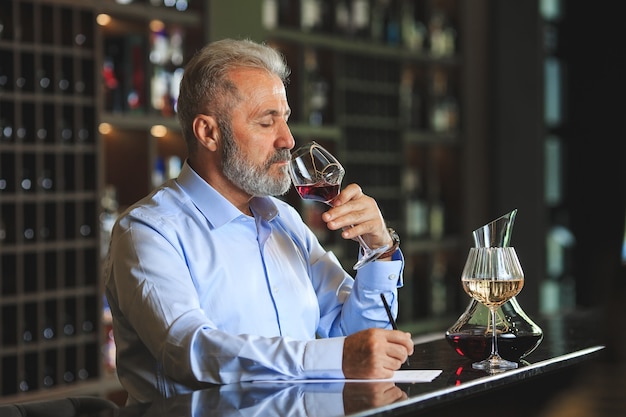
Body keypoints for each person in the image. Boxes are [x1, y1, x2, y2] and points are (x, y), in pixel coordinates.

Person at [104, 38, 413, 405]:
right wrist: (335, 357)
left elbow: (357, 341)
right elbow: (189, 351)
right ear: (209, 133)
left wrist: (379, 249)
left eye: (286, 119)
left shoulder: (285, 220)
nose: (288, 139)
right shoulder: (148, 232)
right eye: (267, 122)